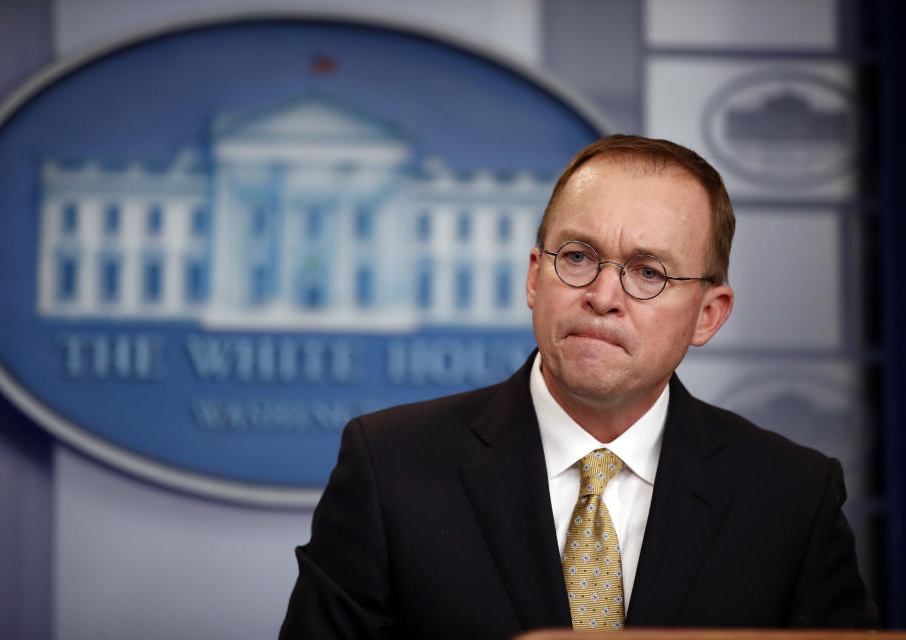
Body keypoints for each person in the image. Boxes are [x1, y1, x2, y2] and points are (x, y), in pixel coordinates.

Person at [279, 135, 878, 639]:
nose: (603, 295)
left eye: (648, 271)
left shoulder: (792, 497)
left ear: (708, 315)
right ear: (536, 277)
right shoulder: (389, 467)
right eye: (578, 256)